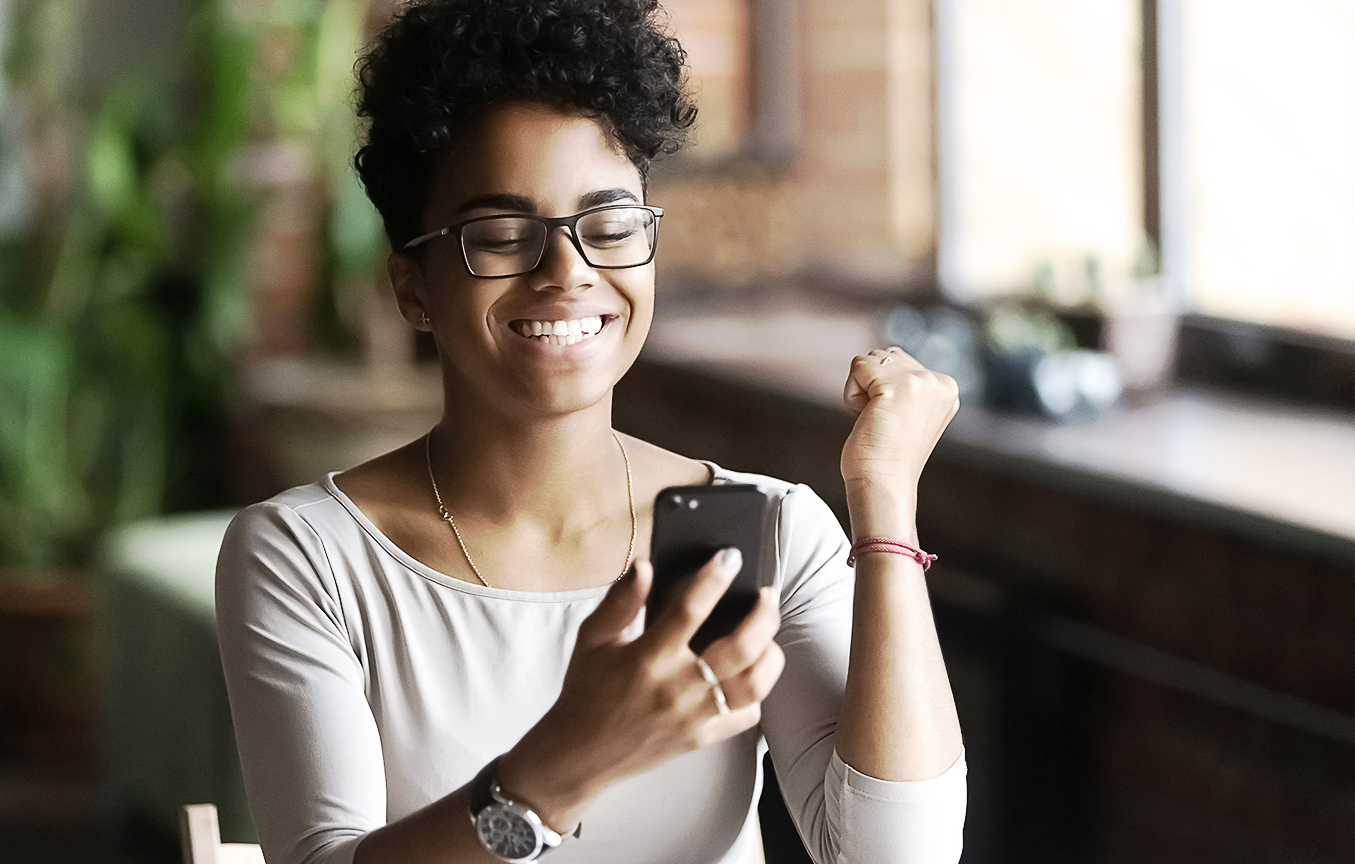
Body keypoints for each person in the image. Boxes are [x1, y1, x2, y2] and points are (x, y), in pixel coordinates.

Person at [214, 1, 967, 862]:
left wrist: (886, 504)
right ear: (412, 286)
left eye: (610, 227)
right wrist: (567, 762)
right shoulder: (309, 557)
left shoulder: (766, 531)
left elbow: (895, 856)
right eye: (501, 235)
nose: (568, 272)